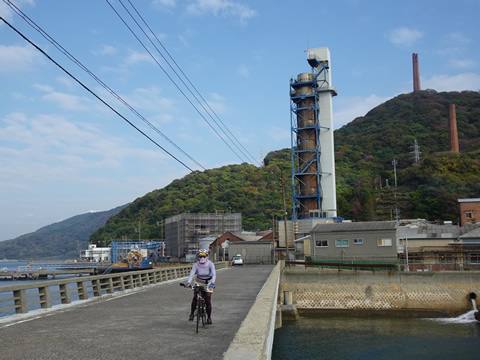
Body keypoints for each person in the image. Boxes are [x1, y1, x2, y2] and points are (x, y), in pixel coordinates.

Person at [184, 249, 216, 324]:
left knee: (208, 299)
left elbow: (214, 274)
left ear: (206, 256)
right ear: (198, 257)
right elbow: (192, 274)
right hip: (198, 281)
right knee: (195, 297)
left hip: (208, 282)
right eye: (200, 256)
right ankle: (192, 314)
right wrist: (188, 282)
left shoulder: (210, 264)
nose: (202, 258)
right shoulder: (196, 265)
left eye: (203, 256)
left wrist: (212, 283)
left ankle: (209, 317)